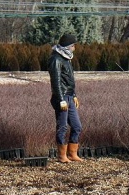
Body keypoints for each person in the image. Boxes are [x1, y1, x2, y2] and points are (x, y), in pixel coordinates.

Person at [48, 34, 83, 163]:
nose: (74, 48)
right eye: (73, 45)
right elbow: (56, 81)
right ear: (67, 46)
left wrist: (74, 95)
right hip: (61, 98)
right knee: (62, 126)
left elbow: (69, 80)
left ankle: (72, 153)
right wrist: (61, 99)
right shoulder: (56, 59)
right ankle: (62, 155)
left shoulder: (67, 58)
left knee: (77, 125)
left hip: (69, 96)